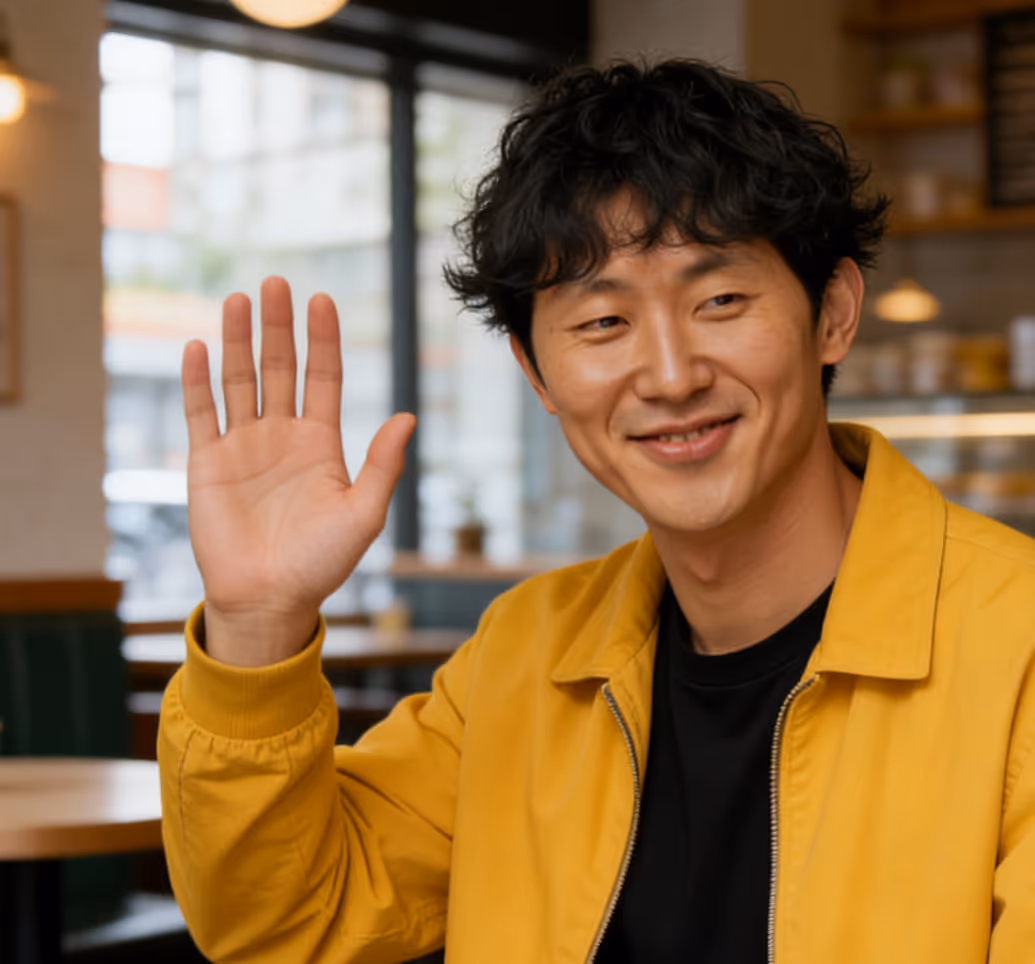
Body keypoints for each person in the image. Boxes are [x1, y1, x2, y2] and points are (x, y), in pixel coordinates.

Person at [159, 60, 1035, 964]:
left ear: (834, 314)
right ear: (536, 373)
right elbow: (289, 919)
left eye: (719, 300)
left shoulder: (1016, 650)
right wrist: (257, 624)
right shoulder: (526, 655)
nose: (668, 375)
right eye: (601, 324)